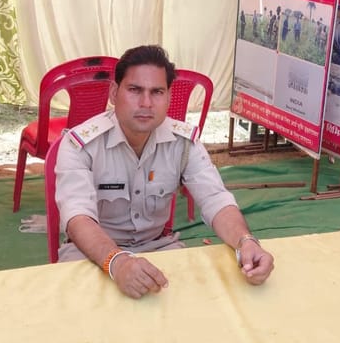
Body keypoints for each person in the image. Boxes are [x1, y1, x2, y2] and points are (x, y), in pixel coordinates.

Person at [55, 45, 274, 299]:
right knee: (78, 310)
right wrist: (118, 262)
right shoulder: (80, 144)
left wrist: (245, 241)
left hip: (159, 248)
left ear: (169, 97)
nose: (146, 103)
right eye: (135, 90)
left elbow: (215, 199)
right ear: (114, 93)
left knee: (191, 305)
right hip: (89, 253)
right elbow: (78, 218)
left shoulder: (183, 143)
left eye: (157, 92)